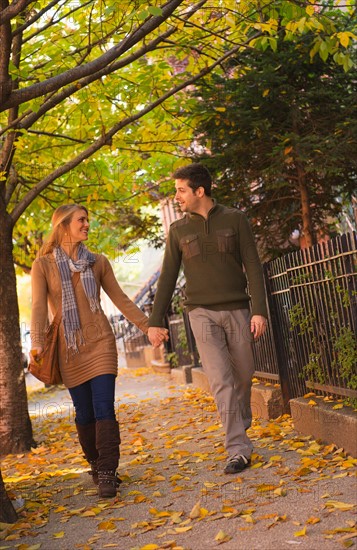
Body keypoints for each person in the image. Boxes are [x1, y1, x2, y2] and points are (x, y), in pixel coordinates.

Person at [30, 204, 167, 498]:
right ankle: (95, 463)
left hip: (101, 343)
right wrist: (37, 342)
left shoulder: (98, 262)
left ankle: (107, 469)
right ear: (64, 225)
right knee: (84, 412)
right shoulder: (43, 266)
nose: (87, 225)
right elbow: (39, 307)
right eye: (81, 220)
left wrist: (148, 327)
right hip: (70, 348)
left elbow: (121, 300)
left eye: (87, 220)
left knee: (105, 407)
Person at [147, 164, 268, 474]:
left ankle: (239, 426)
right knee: (220, 381)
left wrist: (259, 310)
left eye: (181, 190)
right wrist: (155, 321)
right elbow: (168, 278)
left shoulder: (235, 219)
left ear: (199, 191)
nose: (177, 197)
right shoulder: (178, 230)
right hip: (200, 313)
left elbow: (253, 266)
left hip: (237, 309)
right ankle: (237, 448)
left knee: (243, 374)